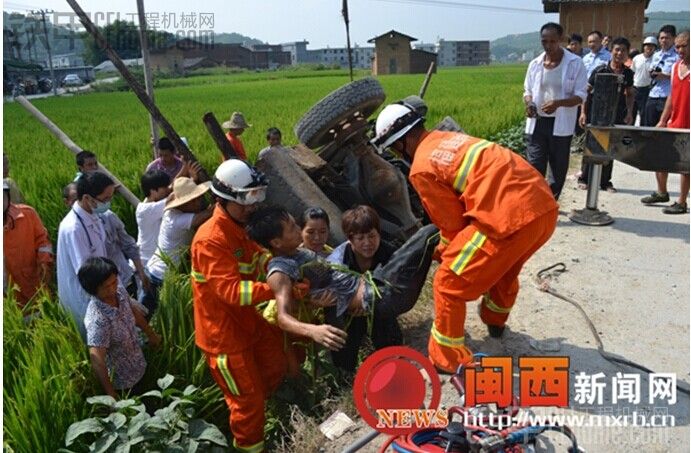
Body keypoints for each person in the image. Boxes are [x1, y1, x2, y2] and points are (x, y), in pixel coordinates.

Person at [370, 99, 559, 373]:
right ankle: (495, 322)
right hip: (541, 209)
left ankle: (447, 359)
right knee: (503, 266)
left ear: (400, 143)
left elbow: (452, 225)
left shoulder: (422, 166)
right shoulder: (448, 139)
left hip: (506, 219)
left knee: (448, 283)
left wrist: (443, 252)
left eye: (393, 149)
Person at [190, 159, 297, 453]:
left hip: (248, 323)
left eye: (256, 197)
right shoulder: (210, 239)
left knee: (276, 365)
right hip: (224, 338)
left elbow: (259, 256)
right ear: (225, 200)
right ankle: (250, 447)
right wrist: (279, 289)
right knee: (246, 404)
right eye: (247, 199)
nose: (253, 206)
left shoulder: (240, 227)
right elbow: (232, 291)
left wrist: (279, 268)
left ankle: (273, 418)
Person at [246, 206, 439, 352]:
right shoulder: (280, 269)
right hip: (378, 297)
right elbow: (283, 317)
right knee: (429, 233)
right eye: (292, 228)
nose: (299, 229)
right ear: (276, 242)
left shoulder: (302, 252)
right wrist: (313, 330)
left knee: (428, 237)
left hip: (377, 289)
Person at [326, 205, 401, 373]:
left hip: (378, 307)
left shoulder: (390, 253)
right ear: (350, 239)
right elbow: (332, 295)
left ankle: (392, 363)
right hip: (347, 312)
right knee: (344, 345)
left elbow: (398, 287)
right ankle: (344, 376)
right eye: (360, 238)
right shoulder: (337, 263)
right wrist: (352, 305)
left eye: (372, 236)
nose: (368, 243)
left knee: (389, 337)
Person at [523, 22, 588, 199]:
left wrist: (558, 103)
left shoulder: (575, 63)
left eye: (552, 41)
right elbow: (527, 91)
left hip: (561, 124)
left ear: (560, 40)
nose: (548, 45)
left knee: (558, 168)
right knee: (534, 165)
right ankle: (536, 202)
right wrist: (529, 104)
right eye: (544, 41)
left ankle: (551, 201)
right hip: (538, 123)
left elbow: (581, 95)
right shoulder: (535, 64)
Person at [80, 257, 160, 398]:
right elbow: (97, 359)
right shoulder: (98, 320)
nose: (112, 288)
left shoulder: (120, 292)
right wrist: (110, 393)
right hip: (123, 383)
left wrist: (151, 334)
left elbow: (133, 312)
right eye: (106, 287)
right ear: (93, 290)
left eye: (114, 282)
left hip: (140, 364)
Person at [143, 175, 213, 315]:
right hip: (160, 275)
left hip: (165, 273)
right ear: (183, 204)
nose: (199, 202)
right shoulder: (174, 218)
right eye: (194, 200)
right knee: (151, 314)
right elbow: (202, 216)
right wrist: (219, 205)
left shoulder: (182, 213)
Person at [57, 172, 114, 337]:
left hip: (101, 289)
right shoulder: (73, 228)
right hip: (86, 297)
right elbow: (88, 274)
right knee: (96, 342)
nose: (108, 203)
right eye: (105, 198)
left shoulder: (93, 215)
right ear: (88, 198)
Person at [578, 37, 635, 192]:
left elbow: (629, 94)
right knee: (592, 146)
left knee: (611, 148)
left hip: (615, 115)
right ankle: (584, 178)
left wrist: (629, 112)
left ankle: (605, 182)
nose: (619, 53)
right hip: (596, 114)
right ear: (611, 51)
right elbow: (586, 92)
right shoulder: (600, 70)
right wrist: (583, 113)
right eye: (617, 49)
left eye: (623, 50)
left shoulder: (628, 73)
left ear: (627, 53)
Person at [647, 31, 689, 214]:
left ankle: (681, 201)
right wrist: (663, 119)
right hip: (674, 121)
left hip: (689, 124)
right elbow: (672, 95)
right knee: (661, 157)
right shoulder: (675, 67)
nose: (680, 49)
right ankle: (662, 192)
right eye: (678, 46)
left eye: (684, 45)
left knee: (686, 165)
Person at [641, 25, 680, 205]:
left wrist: (665, 76)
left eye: (667, 38)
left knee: (666, 142)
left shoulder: (678, 57)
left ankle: (673, 194)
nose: (664, 41)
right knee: (653, 141)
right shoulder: (656, 55)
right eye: (662, 38)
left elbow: (676, 79)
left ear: (674, 39)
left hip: (667, 99)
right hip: (653, 96)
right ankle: (660, 190)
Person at [4, 181, 53, 310]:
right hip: (6, 295)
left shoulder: (27, 215)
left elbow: (43, 240)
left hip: (32, 285)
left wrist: (44, 261)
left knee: (41, 318)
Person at [136, 170, 172, 266]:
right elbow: (173, 199)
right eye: (164, 187)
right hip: (147, 260)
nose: (167, 190)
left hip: (153, 258)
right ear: (153, 191)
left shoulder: (151, 203)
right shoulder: (146, 210)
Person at [631, 36, 658, 124]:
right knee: (631, 111)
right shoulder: (637, 58)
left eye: (652, 46)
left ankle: (641, 134)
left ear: (655, 48)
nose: (649, 48)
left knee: (644, 113)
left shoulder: (656, 59)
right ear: (643, 46)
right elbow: (633, 71)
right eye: (647, 45)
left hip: (647, 89)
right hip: (635, 88)